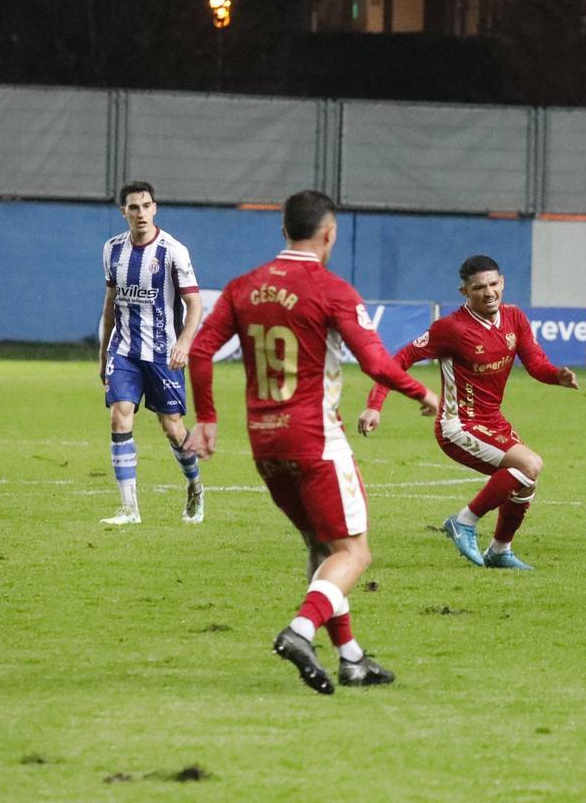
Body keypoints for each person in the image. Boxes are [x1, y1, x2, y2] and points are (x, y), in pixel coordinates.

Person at [185, 190, 439, 694]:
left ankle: (351, 659)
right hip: (316, 439)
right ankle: (301, 630)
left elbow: (201, 350)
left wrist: (208, 419)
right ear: (330, 234)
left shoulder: (243, 287)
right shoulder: (331, 290)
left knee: (324, 549)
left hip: (264, 444)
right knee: (355, 552)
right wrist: (421, 390)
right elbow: (376, 363)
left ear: (283, 231)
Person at [359, 255, 579, 570]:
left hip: (493, 423)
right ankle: (463, 522)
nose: (488, 292)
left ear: (502, 282)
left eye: (493, 284)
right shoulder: (451, 329)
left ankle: (500, 550)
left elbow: (535, 363)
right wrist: (374, 405)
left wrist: (556, 376)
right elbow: (399, 359)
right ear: (464, 291)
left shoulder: (515, 318)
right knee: (530, 464)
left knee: (526, 483)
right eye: (478, 287)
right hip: (457, 426)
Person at [98, 180, 205, 526]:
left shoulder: (173, 250)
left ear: (154, 208)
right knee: (120, 415)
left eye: (146, 206)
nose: (140, 213)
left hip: (163, 352)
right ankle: (130, 509)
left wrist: (184, 343)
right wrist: (103, 357)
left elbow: (194, 304)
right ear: (124, 212)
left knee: (172, 428)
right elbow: (110, 306)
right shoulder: (112, 250)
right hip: (124, 349)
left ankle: (195, 486)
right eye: (133, 207)